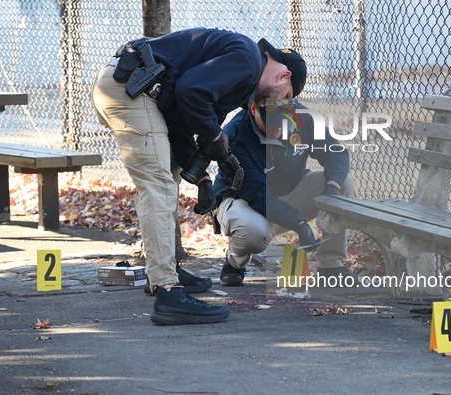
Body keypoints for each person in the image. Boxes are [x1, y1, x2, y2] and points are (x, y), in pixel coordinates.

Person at [91, 27, 307, 325]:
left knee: (169, 176)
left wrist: (203, 176)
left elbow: (181, 116)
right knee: (158, 184)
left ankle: (164, 272)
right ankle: (168, 292)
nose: (280, 105)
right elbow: (191, 92)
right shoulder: (247, 60)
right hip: (131, 89)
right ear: (284, 76)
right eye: (286, 98)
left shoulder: (240, 81)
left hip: (139, 89)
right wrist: (216, 135)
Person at [213, 94, 357, 288]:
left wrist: (332, 189)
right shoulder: (236, 134)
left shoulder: (302, 115)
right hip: (247, 203)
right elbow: (258, 193)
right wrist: (299, 224)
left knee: (343, 182)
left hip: (290, 192)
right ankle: (234, 261)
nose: (278, 129)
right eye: (272, 124)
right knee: (253, 233)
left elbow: (336, 152)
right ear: (254, 110)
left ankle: (330, 266)